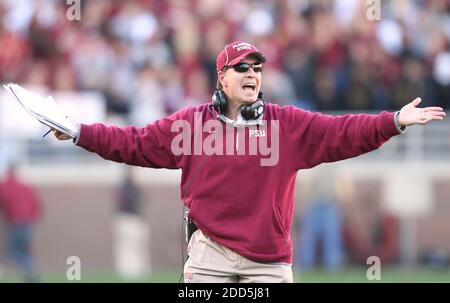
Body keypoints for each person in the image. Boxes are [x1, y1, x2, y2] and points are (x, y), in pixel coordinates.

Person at [53, 41, 446, 283]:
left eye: (257, 69)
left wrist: (392, 122)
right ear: (221, 78)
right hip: (210, 258)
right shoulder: (190, 124)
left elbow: (340, 132)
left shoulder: (286, 124)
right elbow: (132, 143)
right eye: (242, 68)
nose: (252, 74)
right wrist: (79, 132)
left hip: (269, 262)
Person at [0, 165, 41, 283]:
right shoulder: (25, 187)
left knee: (14, 251)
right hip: (28, 224)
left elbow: (3, 201)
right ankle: (31, 272)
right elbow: (36, 205)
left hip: (16, 223)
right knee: (23, 250)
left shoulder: (4, 186)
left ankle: (30, 272)